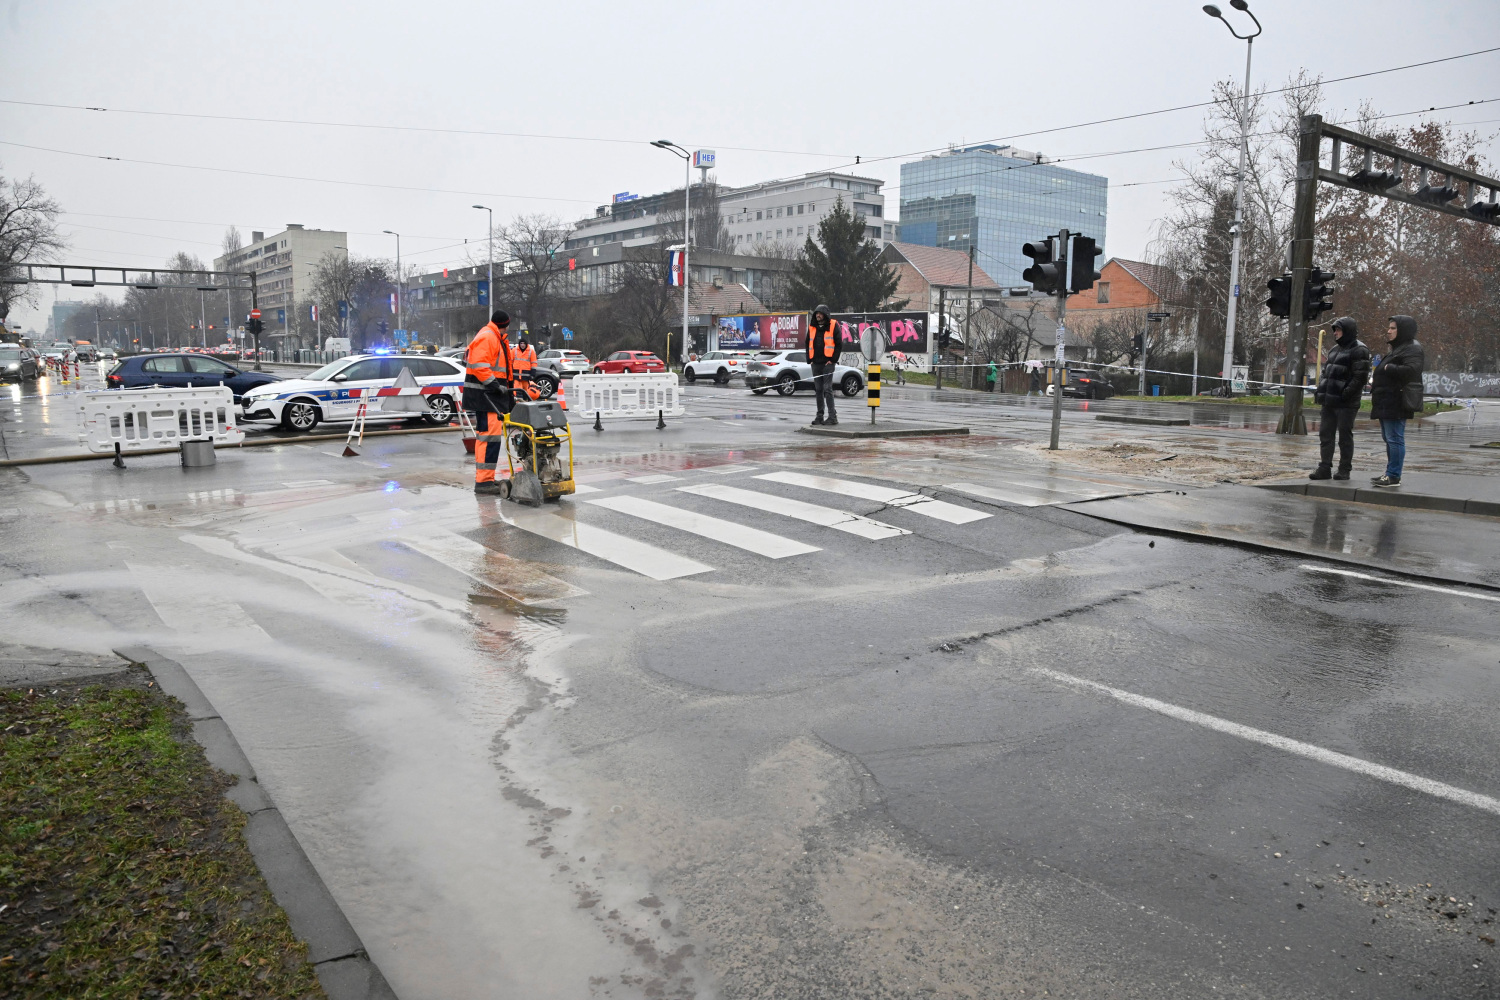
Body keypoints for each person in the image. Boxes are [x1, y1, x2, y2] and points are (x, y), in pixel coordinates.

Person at [1309, 317, 1370, 481]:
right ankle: (1324, 467)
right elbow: (1326, 373)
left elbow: (1360, 378)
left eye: (1338, 329)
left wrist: (1344, 394)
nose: (1335, 333)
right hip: (1329, 401)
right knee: (1325, 435)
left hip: (1346, 403)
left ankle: (1344, 469)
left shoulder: (1359, 350)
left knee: (1344, 436)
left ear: (1347, 330)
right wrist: (1322, 390)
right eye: (1334, 329)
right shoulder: (1334, 350)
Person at [1368, 314, 1424, 488]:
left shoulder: (1412, 348)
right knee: (1389, 437)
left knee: (1395, 438)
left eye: (1393, 328)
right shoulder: (1398, 348)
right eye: (1389, 327)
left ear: (1403, 330)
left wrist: (1389, 367)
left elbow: (1413, 369)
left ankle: (1393, 475)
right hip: (1386, 399)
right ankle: (1389, 473)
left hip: (1397, 400)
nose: (1389, 331)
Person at [464, 311, 516, 496]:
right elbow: (479, 366)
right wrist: (494, 385)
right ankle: (484, 482)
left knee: (489, 439)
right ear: (506, 324)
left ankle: (485, 479)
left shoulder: (494, 336)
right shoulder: (488, 337)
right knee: (488, 439)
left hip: (491, 397)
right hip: (487, 396)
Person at [806, 304, 839, 426]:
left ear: (825, 314)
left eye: (820, 313)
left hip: (828, 363)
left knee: (827, 389)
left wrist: (833, 359)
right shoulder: (812, 327)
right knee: (818, 389)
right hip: (816, 363)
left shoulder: (833, 325)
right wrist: (810, 360)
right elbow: (807, 343)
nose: (818, 315)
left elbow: (839, 344)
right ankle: (819, 416)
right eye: (816, 313)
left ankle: (832, 417)